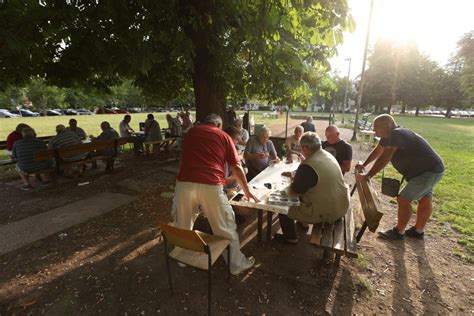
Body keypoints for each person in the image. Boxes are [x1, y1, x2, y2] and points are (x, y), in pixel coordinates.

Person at [172, 114, 258, 275]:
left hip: (184, 183)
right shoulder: (223, 136)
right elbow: (237, 167)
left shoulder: (190, 132)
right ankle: (236, 265)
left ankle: (183, 258)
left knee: (183, 223)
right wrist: (247, 191)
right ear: (218, 125)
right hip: (211, 185)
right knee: (225, 226)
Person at [356, 114, 444, 240]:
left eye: (376, 127)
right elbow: (378, 151)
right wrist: (364, 165)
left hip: (429, 171)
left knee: (403, 199)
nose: (374, 130)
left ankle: (399, 232)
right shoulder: (388, 136)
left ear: (387, 125)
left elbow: (385, 157)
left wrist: (368, 175)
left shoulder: (397, 134)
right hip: (425, 171)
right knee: (425, 198)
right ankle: (418, 231)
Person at [275, 132, 350, 243]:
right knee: (306, 194)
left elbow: (293, 192)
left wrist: (291, 182)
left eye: (301, 148)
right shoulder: (326, 154)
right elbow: (314, 175)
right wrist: (296, 174)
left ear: (305, 147)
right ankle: (303, 223)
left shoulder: (308, 165)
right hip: (341, 205)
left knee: (283, 206)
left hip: (329, 212)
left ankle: (290, 238)